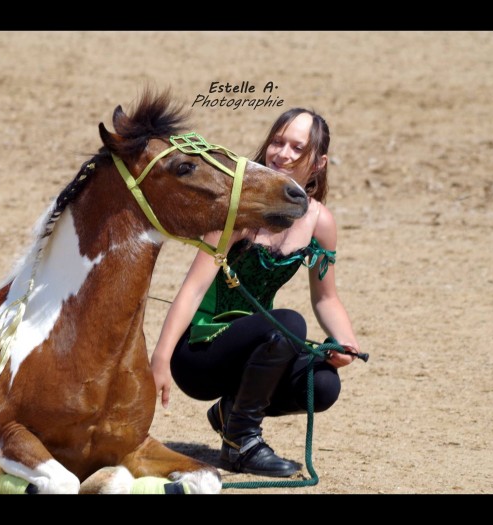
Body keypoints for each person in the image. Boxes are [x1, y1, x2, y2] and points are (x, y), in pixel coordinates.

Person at [149, 108, 361, 478]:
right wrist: (161, 359)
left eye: (298, 147)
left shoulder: (319, 222)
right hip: (200, 352)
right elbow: (194, 287)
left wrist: (346, 343)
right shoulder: (238, 210)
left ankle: (231, 412)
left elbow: (326, 297)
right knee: (287, 323)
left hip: (258, 349)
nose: (283, 154)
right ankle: (243, 443)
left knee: (322, 384)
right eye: (278, 142)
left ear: (319, 163)